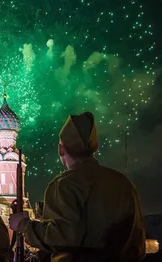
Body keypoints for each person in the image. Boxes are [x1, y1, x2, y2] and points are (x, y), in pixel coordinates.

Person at [9, 112, 146, 262]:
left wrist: (23, 225)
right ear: (96, 147)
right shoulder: (124, 183)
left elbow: (61, 239)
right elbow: (138, 238)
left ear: (61, 149)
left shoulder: (65, 184)